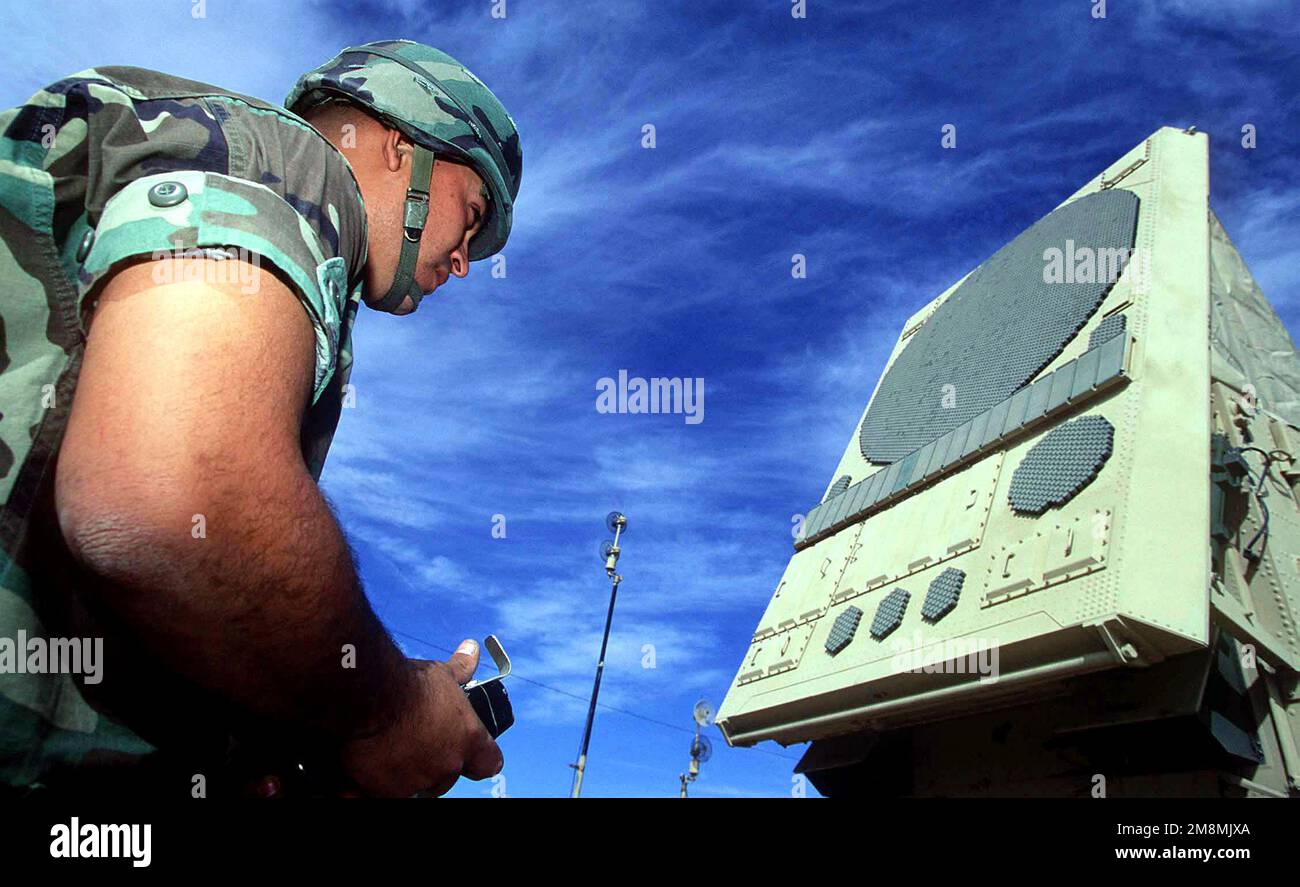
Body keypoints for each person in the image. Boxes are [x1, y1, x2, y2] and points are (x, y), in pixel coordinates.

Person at [0, 39, 522, 797]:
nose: (465, 259)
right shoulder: (286, 165)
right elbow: (171, 499)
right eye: (471, 216)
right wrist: (391, 711)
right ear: (401, 146)